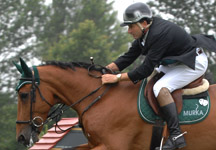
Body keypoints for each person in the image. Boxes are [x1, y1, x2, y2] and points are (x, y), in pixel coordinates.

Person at [101, 2, 209, 150]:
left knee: (160, 87)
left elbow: (145, 69)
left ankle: (176, 135)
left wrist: (117, 78)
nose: (128, 30)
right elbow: (128, 57)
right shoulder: (145, 33)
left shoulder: (159, 34)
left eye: (131, 26)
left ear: (143, 23)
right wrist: (105, 69)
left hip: (192, 63)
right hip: (176, 62)